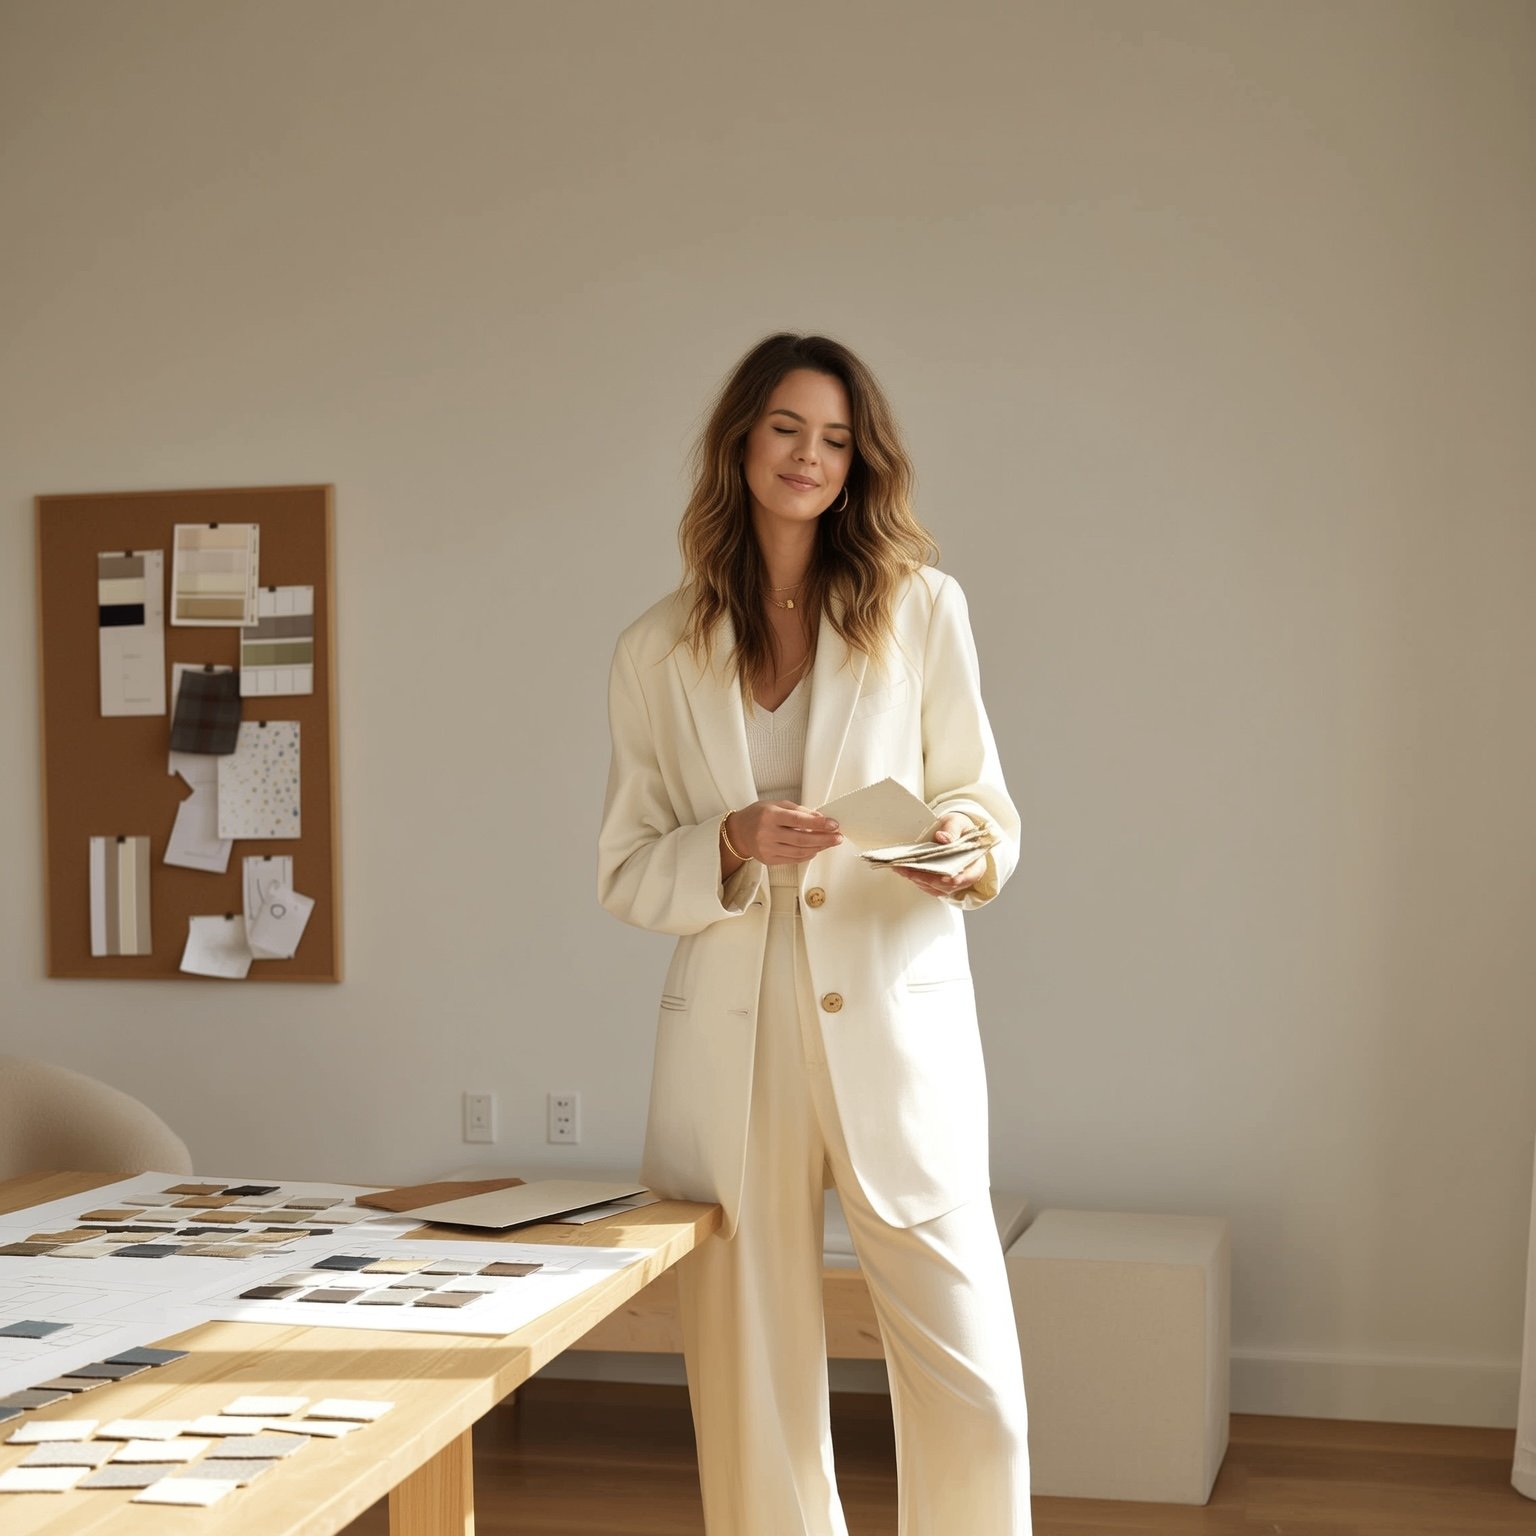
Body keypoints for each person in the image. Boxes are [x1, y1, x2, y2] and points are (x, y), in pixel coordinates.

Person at [598, 332, 1031, 1535]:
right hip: (735, 1026)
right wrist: (729, 841)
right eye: (788, 428)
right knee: (749, 1368)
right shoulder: (654, 648)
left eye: (836, 438)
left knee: (971, 1374)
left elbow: (982, 803)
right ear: (742, 440)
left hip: (894, 1006)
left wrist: (960, 846)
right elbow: (627, 868)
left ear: (860, 461)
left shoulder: (922, 609)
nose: (810, 456)